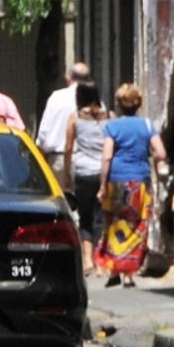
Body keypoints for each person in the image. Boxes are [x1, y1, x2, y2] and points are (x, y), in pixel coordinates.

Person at [95, 83, 168, 289]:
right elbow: (160, 152)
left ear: (118, 104)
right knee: (137, 226)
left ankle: (114, 270)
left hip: (116, 181)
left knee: (114, 224)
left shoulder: (112, 127)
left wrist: (102, 186)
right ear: (138, 104)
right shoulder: (146, 125)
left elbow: (107, 157)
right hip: (139, 182)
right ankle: (129, 275)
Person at [63, 80, 113, 275]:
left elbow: (68, 148)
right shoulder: (109, 116)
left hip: (83, 172)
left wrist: (67, 174)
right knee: (101, 216)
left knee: (85, 217)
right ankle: (101, 261)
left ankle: (87, 259)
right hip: (104, 172)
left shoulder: (75, 118)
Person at [36, 62, 92, 189]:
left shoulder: (57, 97)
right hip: (88, 161)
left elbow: (43, 133)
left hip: (58, 160)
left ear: (68, 78)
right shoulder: (94, 100)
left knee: (60, 204)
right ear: (88, 79)